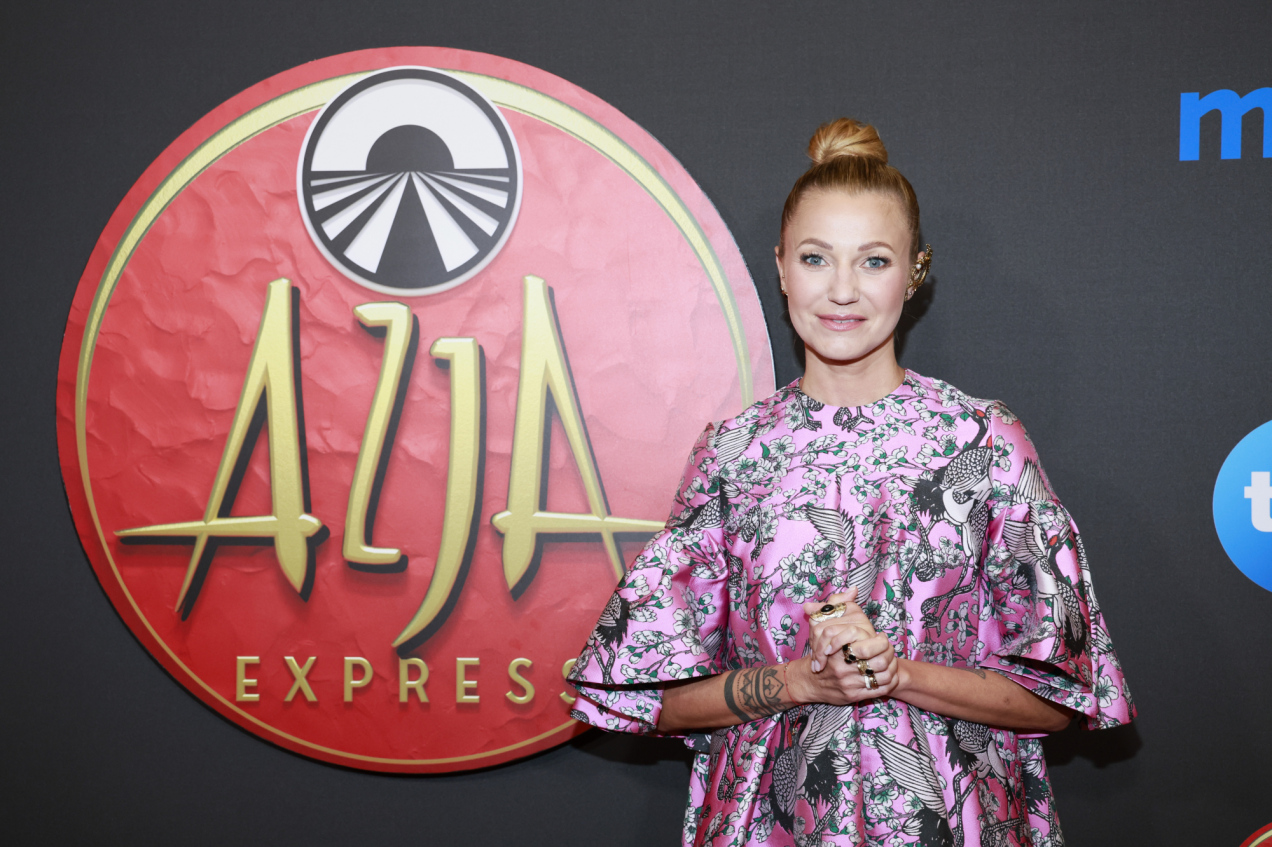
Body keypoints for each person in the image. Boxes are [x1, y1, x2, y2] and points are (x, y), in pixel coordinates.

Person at [568, 118, 1134, 846]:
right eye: (815, 258)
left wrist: (898, 674)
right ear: (780, 268)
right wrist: (800, 682)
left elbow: (1057, 698)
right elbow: (657, 698)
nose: (841, 290)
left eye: (873, 261)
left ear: (914, 273)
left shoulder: (985, 442)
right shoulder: (733, 453)